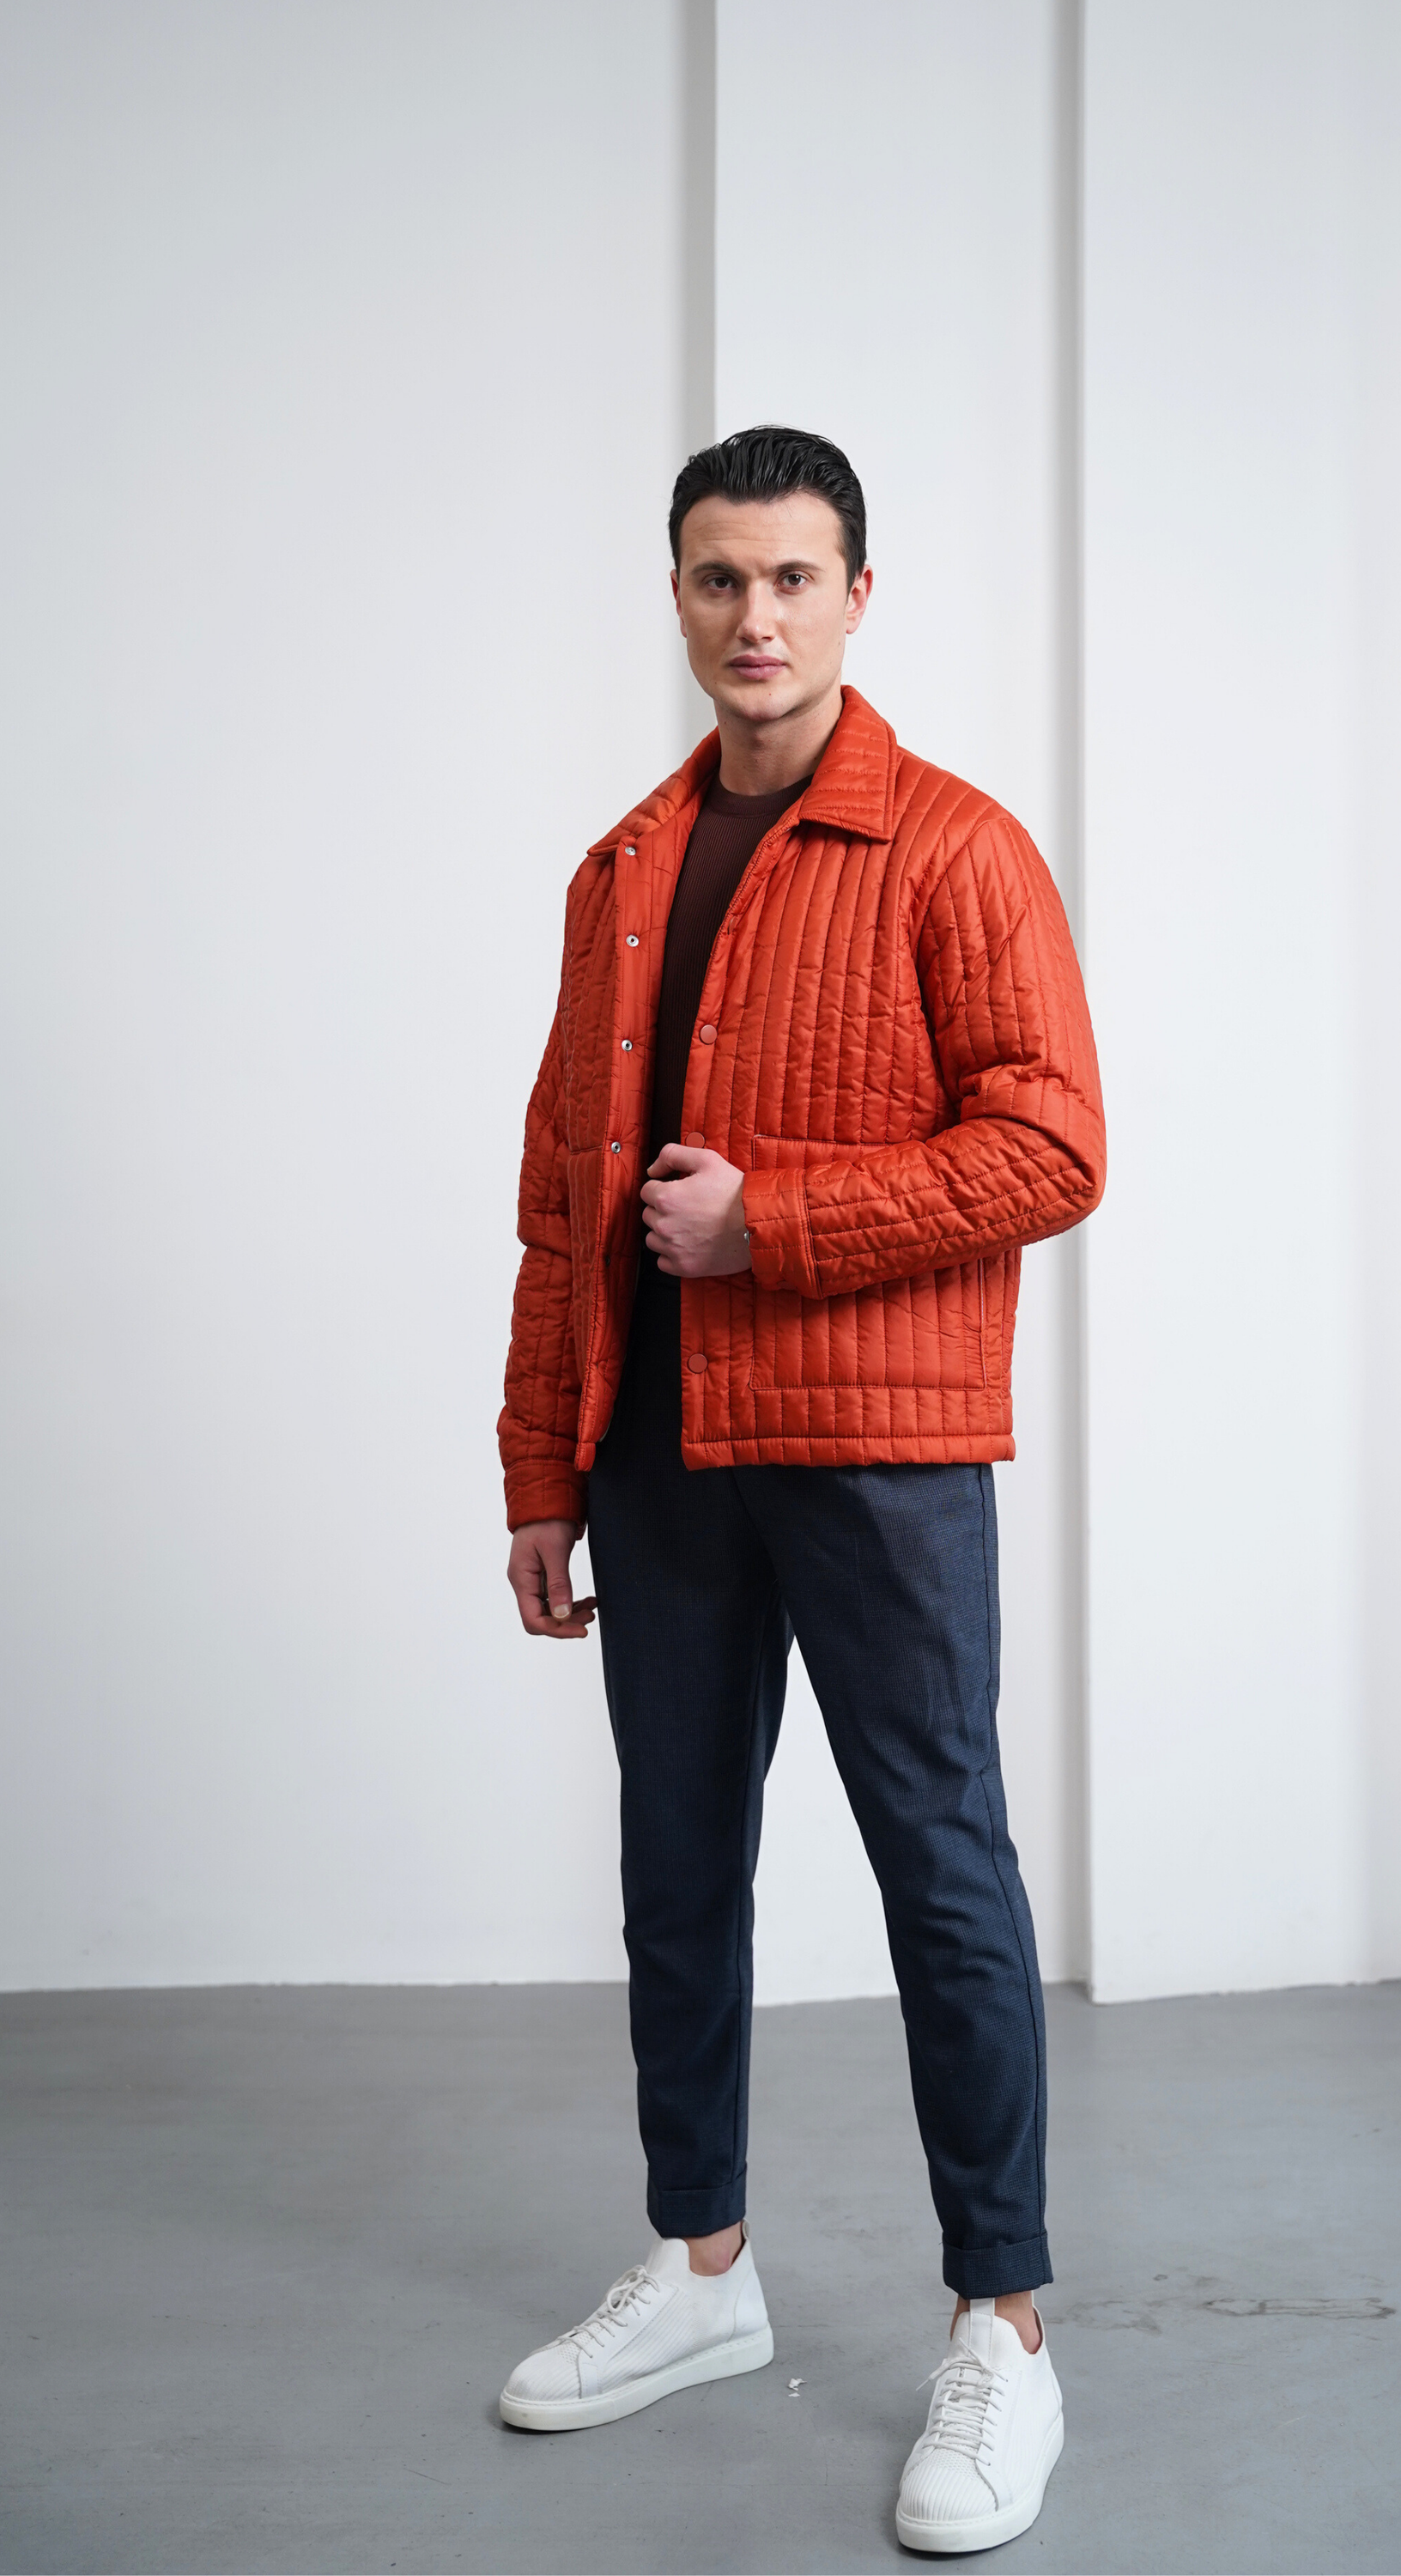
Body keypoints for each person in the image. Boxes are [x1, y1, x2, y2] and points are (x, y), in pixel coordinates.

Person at [494, 425, 1105, 2555]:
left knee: (942, 1870)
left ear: (857, 595)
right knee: (676, 1867)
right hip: (655, 1457)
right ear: (676, 595)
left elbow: (1055, 1147)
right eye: (715, 577)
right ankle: (700, 2270)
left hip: (876, 1453)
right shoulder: (621, 868)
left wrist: (780, 1223)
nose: (752, 616)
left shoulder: (956, 849)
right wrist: (539, 1467)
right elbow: (562, 1204)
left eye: (790, 577)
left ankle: (1002, 2331)